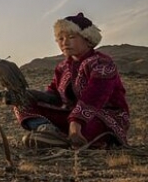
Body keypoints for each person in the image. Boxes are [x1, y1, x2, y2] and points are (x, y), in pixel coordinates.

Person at [14, 12, 130, 150]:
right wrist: (26, 94)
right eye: (60, 38)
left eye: (71, 37)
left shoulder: (102, 63)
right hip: (70, 117)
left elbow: (95, 95)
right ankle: (48, 132)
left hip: (104, 117)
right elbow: (53, 96)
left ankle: (63, 141)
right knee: (22, 103)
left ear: (87, 39)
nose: (64, 42)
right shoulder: (62, 67)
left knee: (88, 129)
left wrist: (76, 121)